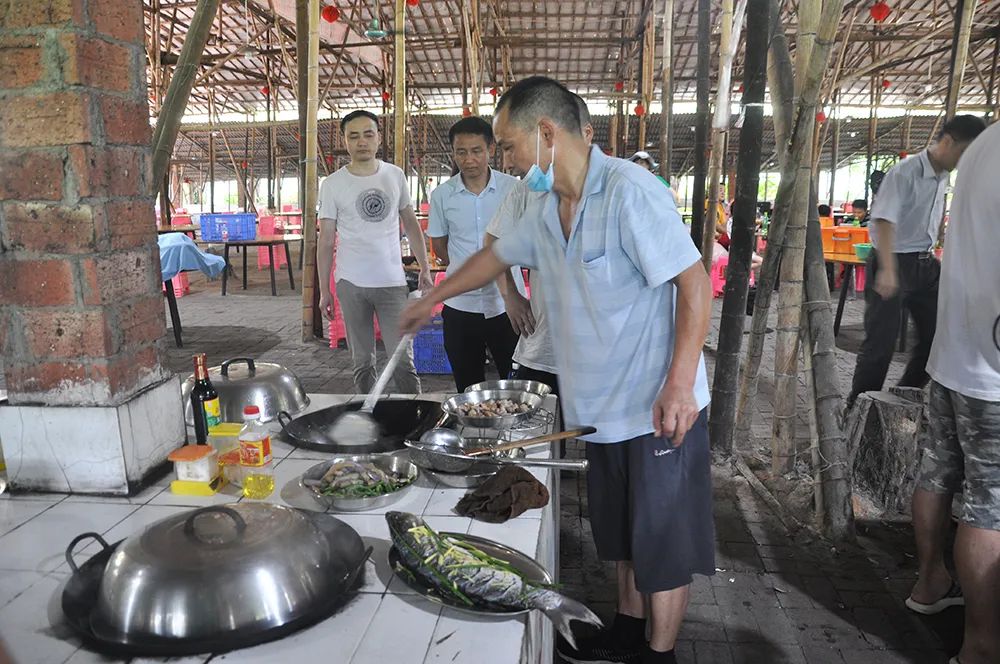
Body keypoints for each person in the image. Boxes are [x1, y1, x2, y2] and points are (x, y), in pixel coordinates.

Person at [400, 76, 714, 664]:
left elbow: (694, 285)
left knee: (661, 541)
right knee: (620, 531)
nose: (507, 159)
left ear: (546, 133)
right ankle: (627, 627)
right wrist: (432, 298)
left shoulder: (629, 190)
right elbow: (495, 255)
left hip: (654, 406)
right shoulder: (548, 209)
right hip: (598, 407)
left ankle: (660, 652)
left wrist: (679, 383)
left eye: (508, 144)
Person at [909, 120, 1000, 664]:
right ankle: (982, 644)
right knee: (991, 505)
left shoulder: (987, 142)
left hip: (953, 353)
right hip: (991, 372)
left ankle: (928, 583)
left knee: (937, 469)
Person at [847, 114, 986, 408]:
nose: (965, 161)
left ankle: (900, 399)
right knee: (879, 345)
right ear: (948, 142)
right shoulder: (906, 172)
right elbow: (884, 220)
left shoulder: (943, 176)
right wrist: (886, 268)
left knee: (938, 339)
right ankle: (858, 409)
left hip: (925, 264)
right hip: (893, 261)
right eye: (964, 153)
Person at [317, 110, 434, 394]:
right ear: (344, 141)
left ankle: (414, 414)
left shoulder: (394, 176)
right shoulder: (332, 184)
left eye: (368, 134)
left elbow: (410, 223)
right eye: (353, 136)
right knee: (362, 361)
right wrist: (325, 290)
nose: (362, 142)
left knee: (402, 360)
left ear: (378, 138)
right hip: (351, 283)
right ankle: (367, 418)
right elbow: (326, 240)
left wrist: (425, 268)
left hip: (392, 282)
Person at [483, 94, 594, 395]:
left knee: (595, 436)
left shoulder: (618, 191)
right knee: (538, 433)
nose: (507, 162)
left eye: (510, 148)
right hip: (543, 345)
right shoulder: (525, 192)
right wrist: (510, 295)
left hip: (599, 354)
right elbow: (492, 242)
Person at [426, 117, 523, 391]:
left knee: (516, 385)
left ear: (491, 149)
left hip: (508, 306)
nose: (469, 160)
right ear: (453, 153)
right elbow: (440, 247)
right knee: (468, 388)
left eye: (476, 151)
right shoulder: (442, 195)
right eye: (461, 152)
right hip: (460, 307)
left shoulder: (513, 189)